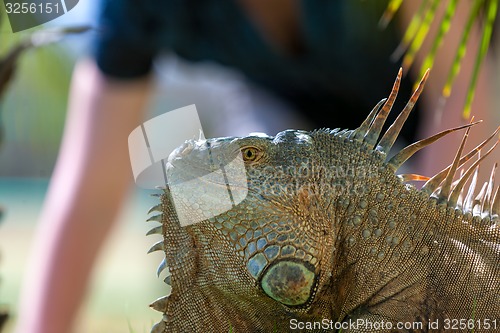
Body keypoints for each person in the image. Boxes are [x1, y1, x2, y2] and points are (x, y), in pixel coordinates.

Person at [15, 1, 498, 332]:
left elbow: (467, 98)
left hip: (459, 125)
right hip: (294, 132)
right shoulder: (132, 11)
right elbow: (88, 193)